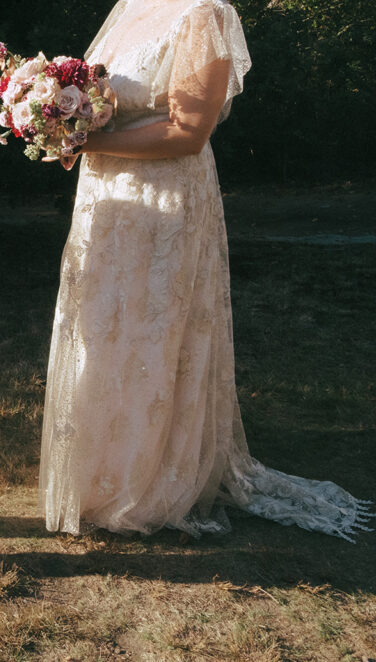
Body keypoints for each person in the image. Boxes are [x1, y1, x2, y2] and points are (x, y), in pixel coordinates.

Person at [39, 0, 372, 539]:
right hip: (107, 199)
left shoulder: (205, 15)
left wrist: (85, 141)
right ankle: (97, 473)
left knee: (154, 332)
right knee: (103, 328)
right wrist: (54, 114)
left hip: (166, 197)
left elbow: (187, 131)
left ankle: (151, 482)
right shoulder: (129, 10)